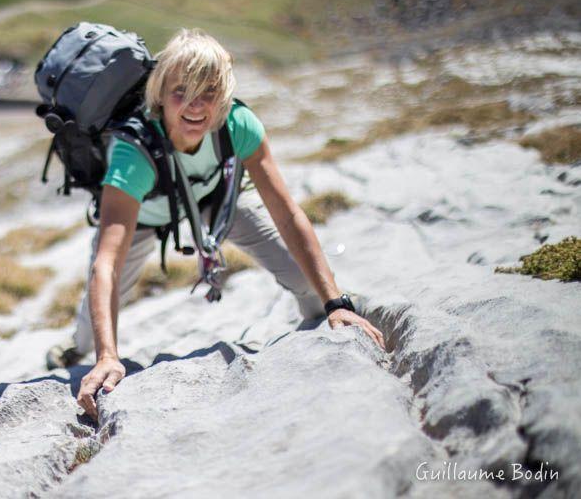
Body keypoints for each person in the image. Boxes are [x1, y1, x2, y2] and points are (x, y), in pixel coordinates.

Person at [46, 28, 385, 419]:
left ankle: (322, 319)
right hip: (144, 217)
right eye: (181, 91)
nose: (194, 105)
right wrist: (107, 356)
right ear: (159, 93)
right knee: (93, 326)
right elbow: (106, 263)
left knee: (310, 285)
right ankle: (77, 348)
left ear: (223, 96)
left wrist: (335, 303)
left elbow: (287, 213)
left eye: (208, 91)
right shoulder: (132, 154)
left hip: (215, 199)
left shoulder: (239, 126)